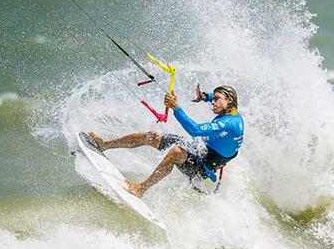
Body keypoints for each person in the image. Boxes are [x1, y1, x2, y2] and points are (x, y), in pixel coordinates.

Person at [88, 84, 244, 197]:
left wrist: (176, 107)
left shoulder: (227, 124)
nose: (213, 103)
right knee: (152, 136)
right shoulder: (233, 112)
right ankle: (104, 145)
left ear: (229, 100)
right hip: (201, 149)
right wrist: (205, 97)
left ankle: (141, 189)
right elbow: (216, 99)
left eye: (216, 99)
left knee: (176, 152)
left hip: (203, 167)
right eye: (213, 99)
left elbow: (195, 130)